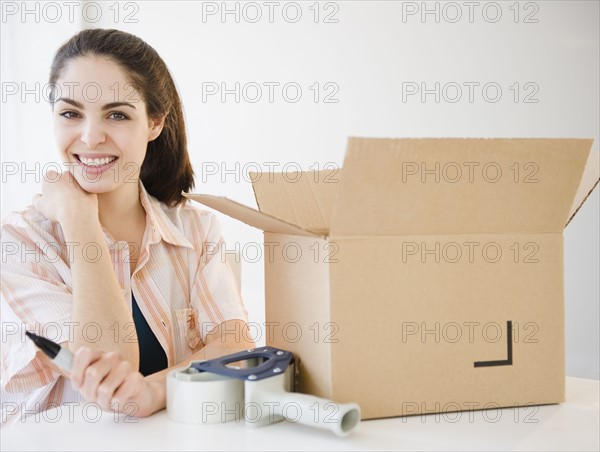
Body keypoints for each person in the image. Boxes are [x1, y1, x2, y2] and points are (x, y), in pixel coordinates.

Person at [0, 28, 254, 425]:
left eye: (117, 114)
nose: (90, 136)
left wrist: (154, 391)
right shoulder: (18, 242)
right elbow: (106, 367)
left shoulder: (196, 228)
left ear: (154, 122)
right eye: (71, 113)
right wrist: (81, 223)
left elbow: (235, 346)